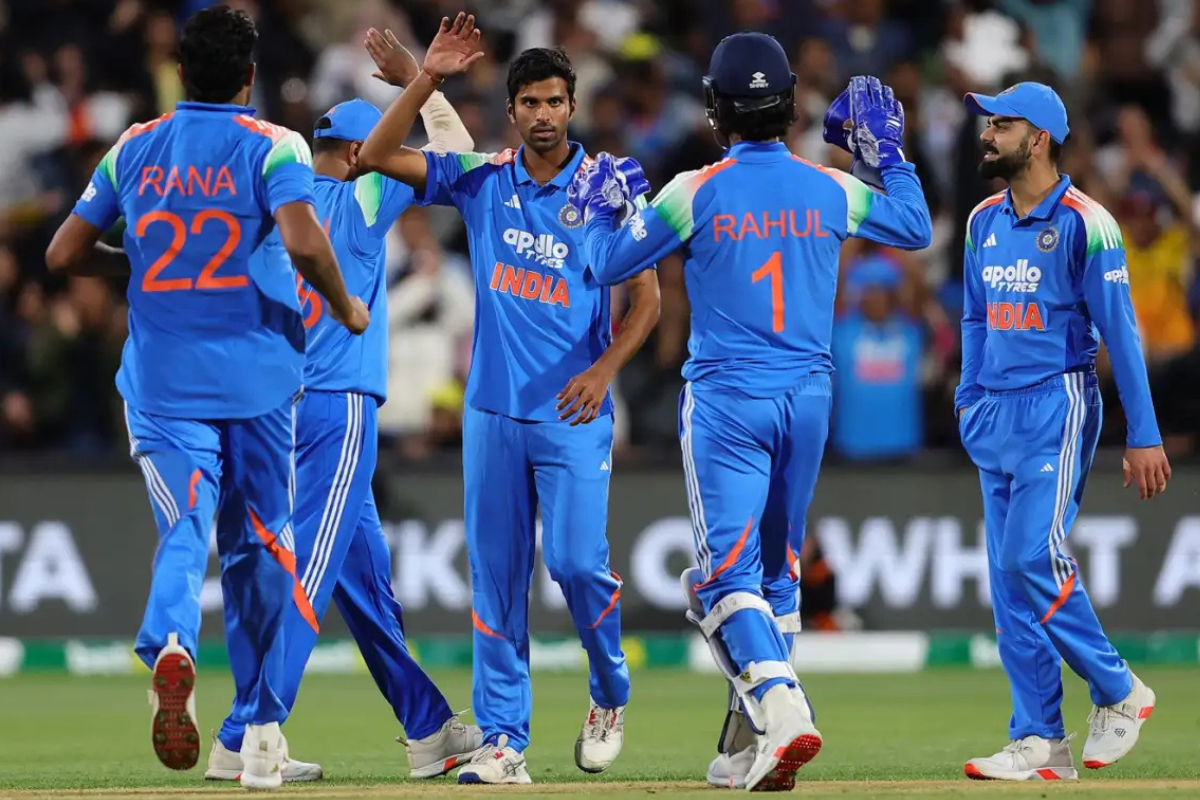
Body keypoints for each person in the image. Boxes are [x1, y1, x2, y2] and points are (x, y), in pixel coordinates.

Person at [568, 33, 933, 790]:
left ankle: (785, 709)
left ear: (715, 109)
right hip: (810, 400)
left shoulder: (692, 191)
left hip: (729, 400)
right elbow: (915, 225)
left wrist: (603, 213)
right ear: (790, 103)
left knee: (720, 580)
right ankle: (748, 749)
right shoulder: (830, 186)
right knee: (779, 573)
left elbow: (604, 266)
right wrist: (887, 153)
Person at [43, 5, 368, 790]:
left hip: (164, 385)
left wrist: (137, 261)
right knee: (263, 547)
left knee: (187, 527)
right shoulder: (275, 144)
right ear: (250, 77)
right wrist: (346, 305)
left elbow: (63, 253)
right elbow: (302, 239)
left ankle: (172, 644)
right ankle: (258, 738)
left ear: (181, 73)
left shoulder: (133, 146)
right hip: (259, 382)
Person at [355, 14, 661, 784]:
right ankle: (503, 741)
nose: (544, 114)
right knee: (495, 584)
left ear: (572, 105)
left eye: (555, 101)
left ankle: (609, 689)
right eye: (530, 102)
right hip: (492, 414)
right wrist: (425, 78)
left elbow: (648, 299)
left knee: (578, 566)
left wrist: (604, 371)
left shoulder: (608, 189)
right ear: (513, 110)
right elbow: (376, 155)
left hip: (573, 414)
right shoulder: (484, 180)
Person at [206, 34, 484, 784]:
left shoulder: (280, 205)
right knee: (311, 572)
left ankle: (428, 728)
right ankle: (247, 733)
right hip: (338, 408)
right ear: (364, 152)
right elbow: (459, 156)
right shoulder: (364, 193)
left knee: (363, 581)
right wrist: (422, 83)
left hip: (275, 408)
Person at [954, 82, 1170, 781]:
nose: (987, 135)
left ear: (1038, 138)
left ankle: (1118, 688)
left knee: (1030, 557)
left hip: (1058, 403)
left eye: (1001, 125)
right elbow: (975, 316)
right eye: (988, 124)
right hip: (993, 409)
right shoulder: (982, 220)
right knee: (1008, 585)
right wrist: (967, 394)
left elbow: (1121, 334)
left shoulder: (1087, 223)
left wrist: (1144, 434)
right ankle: (1040, 738)